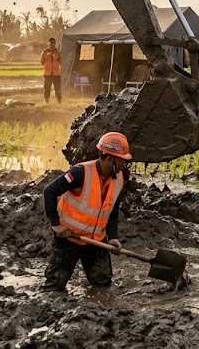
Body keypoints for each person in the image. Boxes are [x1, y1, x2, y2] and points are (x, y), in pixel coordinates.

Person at [41, 132, 132, 291]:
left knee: (103, 285)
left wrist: (113, 237)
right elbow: (49, 191)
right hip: (69, 238)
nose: (124, 164)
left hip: (96, 241)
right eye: (122, 160)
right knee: (54, 286)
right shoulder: (80, 173)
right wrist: (56, 225)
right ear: (109, 158)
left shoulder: (119, 179)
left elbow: (113, 211)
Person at [40, 38, 63, 104]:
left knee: (58, 88)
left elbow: (61, 61)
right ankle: (46, 101)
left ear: (55, 44)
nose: (52, 44)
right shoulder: (45, 52)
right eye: (51, 43)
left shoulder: (58, 52)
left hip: (56, 74)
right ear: (48, 44)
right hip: (47, 74)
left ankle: (59, 101)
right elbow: (42, 61)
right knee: (47, 88)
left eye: (53, 43)